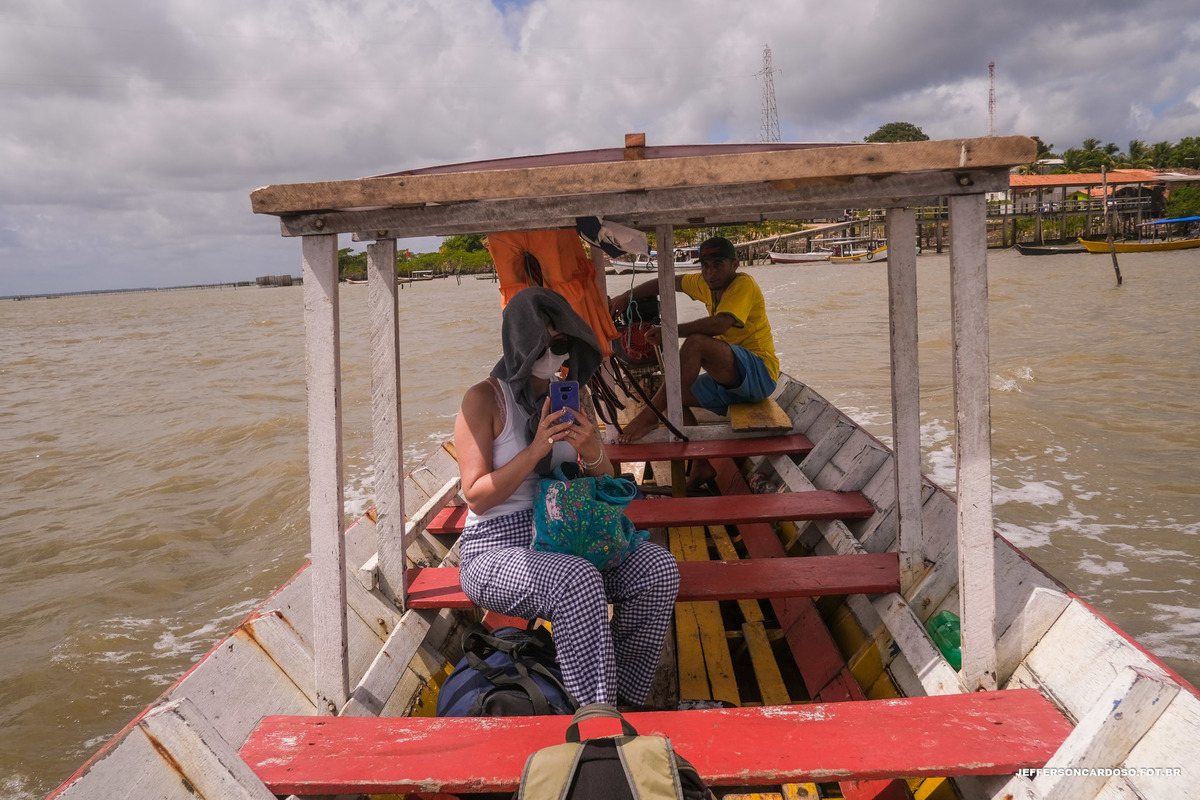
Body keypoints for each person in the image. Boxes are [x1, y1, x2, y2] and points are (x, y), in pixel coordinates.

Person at [453, 287, 680, 707]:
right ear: (524, 342)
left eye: (564, 345)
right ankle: (596, 717)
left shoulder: (570, 396)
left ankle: (623, 699)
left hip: (565, 533)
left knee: (658, 569)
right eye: (549, 344)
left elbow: (606, 478)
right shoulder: (483, 400)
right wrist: (537, 448)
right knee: (576, 580)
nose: (558, 355)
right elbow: (476, 497)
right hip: (495, 548)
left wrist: (592, 450)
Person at [607, 236, 779, 451]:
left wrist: (669, 333)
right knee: (671, 397)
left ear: (734, 265)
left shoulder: (743, 284)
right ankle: (700, 466)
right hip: (730, 380)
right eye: (705, 266)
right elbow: (666, 283)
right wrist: (626, 296)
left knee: (696, 342)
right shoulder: (703, 283)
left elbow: (721, 324)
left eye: (718, 265)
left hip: (760, 375)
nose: (710, 272)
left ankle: (649, 417)